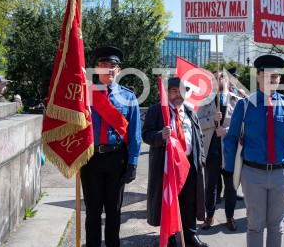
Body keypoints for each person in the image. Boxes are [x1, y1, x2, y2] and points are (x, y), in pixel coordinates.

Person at [223, 55, 284, 247]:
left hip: (281, 174)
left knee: (276, 226)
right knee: (255, 226)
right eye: (267, 75)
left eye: (276, 76)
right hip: (253, 174)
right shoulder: (244, 106)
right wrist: (229, 170)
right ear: (258, 76)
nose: (272, 79)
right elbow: (231, 139)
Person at [80, 46, 142, 247]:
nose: (108, 69)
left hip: (117, 159)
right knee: (92, 213)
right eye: (103, 65)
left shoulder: (128, 97)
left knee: (114, 213)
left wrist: (132, 163)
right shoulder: (84, 95)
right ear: (96, 69)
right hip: (91, 159)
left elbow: (135, 134)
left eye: (112, 66)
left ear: (119, 70)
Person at [143, 77, 208, 247]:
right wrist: (160, 136)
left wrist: (200, 160)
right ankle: (171, 237)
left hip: (189, 165)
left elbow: (198, 137)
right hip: (168, 166)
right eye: (174, 91)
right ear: (167, 92)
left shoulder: (189, 111)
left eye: (181, 91)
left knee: (190, 202)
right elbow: (146, 134)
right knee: (170, 202)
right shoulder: (157, 111)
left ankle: (190, 235)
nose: (178, 94)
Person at [197, 70, 240, 231]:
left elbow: (241, 124)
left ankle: (230, 216)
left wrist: (226, 130)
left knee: (231, 186)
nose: (217, 80)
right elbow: (198, 122)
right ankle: (209, 216)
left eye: (220, 77)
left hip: (229, 151)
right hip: (211, 149)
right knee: (210, 185)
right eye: (214, 78)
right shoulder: (205, 100)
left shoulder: (237, 101)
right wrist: (211, 121)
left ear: (226, 80)